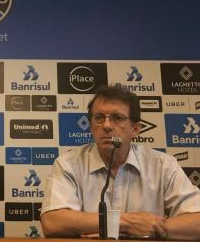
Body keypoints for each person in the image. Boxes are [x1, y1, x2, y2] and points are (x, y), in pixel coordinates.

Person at [41, 85, 200, 240]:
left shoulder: (163, 165)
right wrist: (126, 223)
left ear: (135, 129)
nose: (107, 126)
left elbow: (197, 222)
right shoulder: (69, 164)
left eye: (117, 118)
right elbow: (52, 222)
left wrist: (150, 229)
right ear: (90, 126)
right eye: (99, 118)